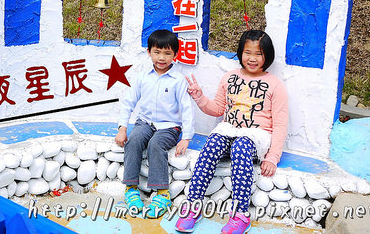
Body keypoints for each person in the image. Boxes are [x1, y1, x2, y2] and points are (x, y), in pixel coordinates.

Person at [175, 30, 288, 234]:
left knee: (240, 147)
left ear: (267, 56)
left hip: (255, 136)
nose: (252, 58)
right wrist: (200, 97)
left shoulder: (275, 85)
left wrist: (272, 157)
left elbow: (280, 124)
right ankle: (193, 205)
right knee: (212, 145)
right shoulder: (230, 78)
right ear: (240, 53)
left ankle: (240, 214)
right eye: (248, 52)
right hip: (230, 129)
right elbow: (218, 109)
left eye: (259, 54)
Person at [115, 29, 195, 218]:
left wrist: (187, 138)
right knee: (133, 141)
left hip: (169, 127)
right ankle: (131, 189)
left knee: (155, 144)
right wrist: (122, 128)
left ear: (175, 55)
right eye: (157, 52)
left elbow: (186, 109)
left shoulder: (178, 80)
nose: (162, 57)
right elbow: (128, 102)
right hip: (145, 122)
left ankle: (161, 193)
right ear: (149, 52)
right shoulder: (143, 77)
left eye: (167, 53)